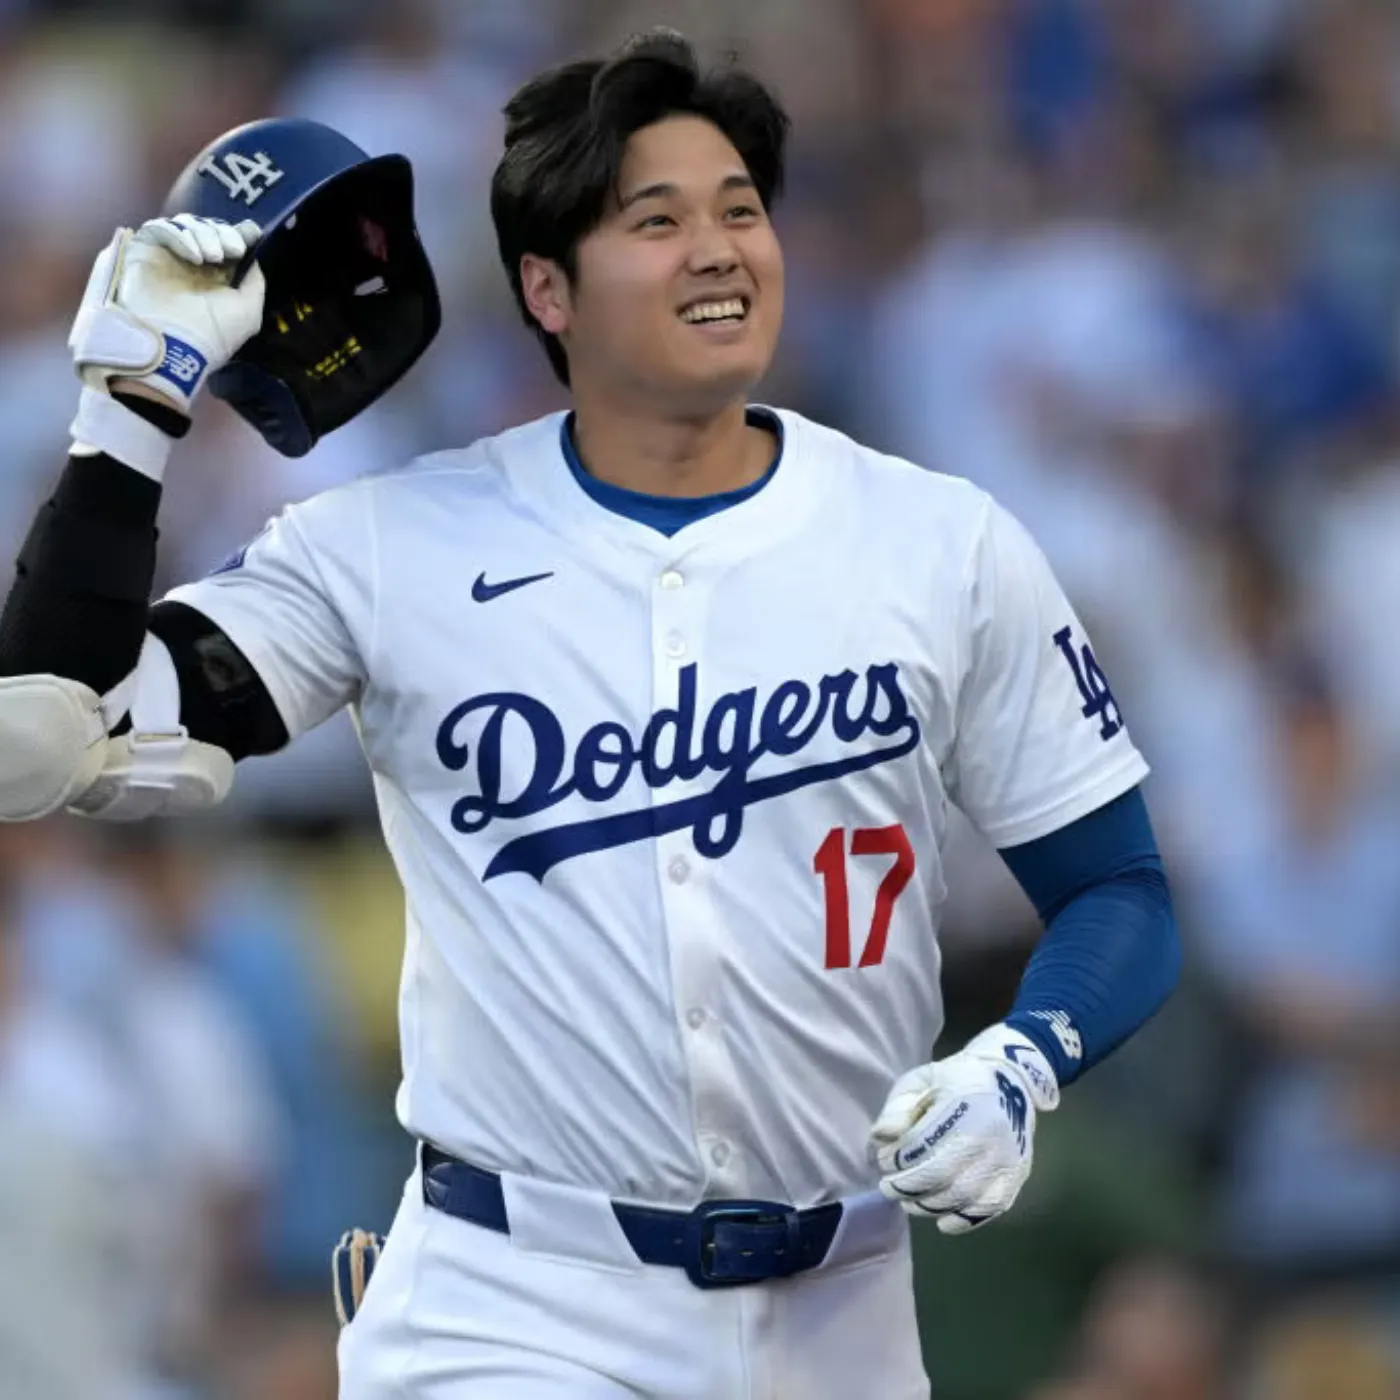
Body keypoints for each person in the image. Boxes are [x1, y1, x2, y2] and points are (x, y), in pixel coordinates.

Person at [0, 29, 1180, 1400]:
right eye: (658, 220)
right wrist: (135, 412)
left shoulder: (941, 543)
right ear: (547, 290)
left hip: (843, 1311)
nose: (719, 248)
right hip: (516, 1303)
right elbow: (47, 729)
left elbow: (1124, 892)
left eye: (742, 209)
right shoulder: (389, 547)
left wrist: (1020, 1067)